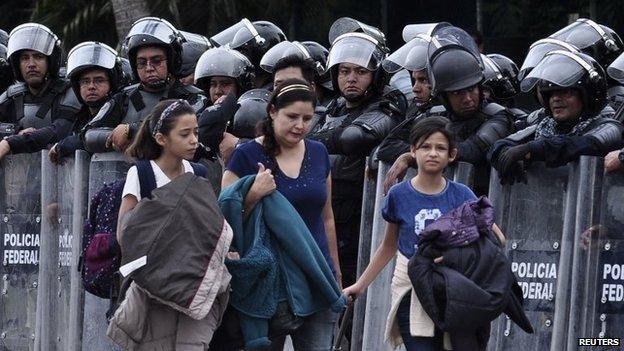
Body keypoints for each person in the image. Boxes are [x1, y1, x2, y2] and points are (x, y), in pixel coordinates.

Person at [344, 116, 504, 350]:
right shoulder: (398, 195)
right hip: (411, 286)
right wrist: (360, 285)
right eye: (425, 147)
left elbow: (496, 237)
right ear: (412, 152)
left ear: (452, 155)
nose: (432, 153)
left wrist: (457, 256)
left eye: (440, 148)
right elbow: (389, 246)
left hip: (453, 290)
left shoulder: (462, 194)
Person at [222, 78, 342, 350]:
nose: (300, 125)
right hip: (269, 281)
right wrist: (253, 194)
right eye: (292, 116)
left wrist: (334, 271)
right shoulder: (245, 155)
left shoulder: (320, 152)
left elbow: (327, 217)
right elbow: (225, 220)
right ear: (273, 111)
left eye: (308, 118)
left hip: (317, 272)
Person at [110, 99, 230, 349]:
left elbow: (209, 225)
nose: (194, 140)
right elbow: (126, 232)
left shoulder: (198, 174)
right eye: (184, 134)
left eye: (196, 132)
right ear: (161, 138)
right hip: (155, 286)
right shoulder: (142, 174)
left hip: (193, 280)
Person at [308, 20, 404, 287]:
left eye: (360, 71)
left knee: (349, 283)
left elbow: (354, 138)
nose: (351, 78)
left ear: (375, 75)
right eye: (345, 71)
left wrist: (308, 141)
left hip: (360, 214)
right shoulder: (332, 108)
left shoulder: (388, 104)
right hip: (324, 207)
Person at [381, 27, 515, 196]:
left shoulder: (497, 116)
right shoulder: (435, 115)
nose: (467, 98)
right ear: (444, 97)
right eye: (457, 93)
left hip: (483, 206)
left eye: (471, 89)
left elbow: (471, 152)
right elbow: (387, 146)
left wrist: (411, 157)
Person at [488, 50, 624, 184]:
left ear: (587, 96)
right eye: (551, 94)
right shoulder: (544, 126)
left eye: (566, 92)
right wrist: (505, 155)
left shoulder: (610, 127)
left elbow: (581, 144)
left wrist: (531, 150)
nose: (556, 99)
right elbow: (499, 145)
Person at [82, 17, 207, 154]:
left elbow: (174, 128)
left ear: (171, 61)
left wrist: (131, 131)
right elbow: (88, 135)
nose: (149, 68)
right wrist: (112, 136)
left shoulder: (194, 97)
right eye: (142, 62)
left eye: (156, 61)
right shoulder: (123, 98)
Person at [0, 23, 81, 157]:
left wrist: (10, 142)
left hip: (64, 172)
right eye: (25, 58)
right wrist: (14, 133)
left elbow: (59, 131)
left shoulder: (69, 91)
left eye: (38, 57)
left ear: (50, 61)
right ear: (17, 64)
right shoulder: (13, 95)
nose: (31, 64)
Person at [47, 41, 124, 163]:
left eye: (99, 80)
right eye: (85, 81)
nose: (91, 86)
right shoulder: (79, 118)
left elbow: (90, 137)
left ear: (111, 83)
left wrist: (62, 146)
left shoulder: (120, 110)